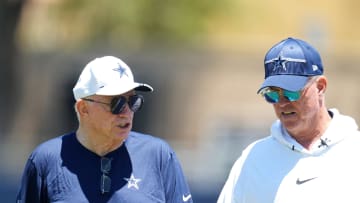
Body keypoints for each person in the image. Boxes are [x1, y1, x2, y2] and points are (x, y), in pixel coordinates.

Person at [16, 56, 193, 203]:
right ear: (83, 109)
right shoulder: (45, 160)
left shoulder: (159, 155)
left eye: (133, 102)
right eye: (117, 103)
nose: (126, 113)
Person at [217, 37, 360, 203]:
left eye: (291, 92)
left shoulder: (354, 151)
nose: (282, 103)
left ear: (320, 86)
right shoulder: (251, 160)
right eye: (272, 94)